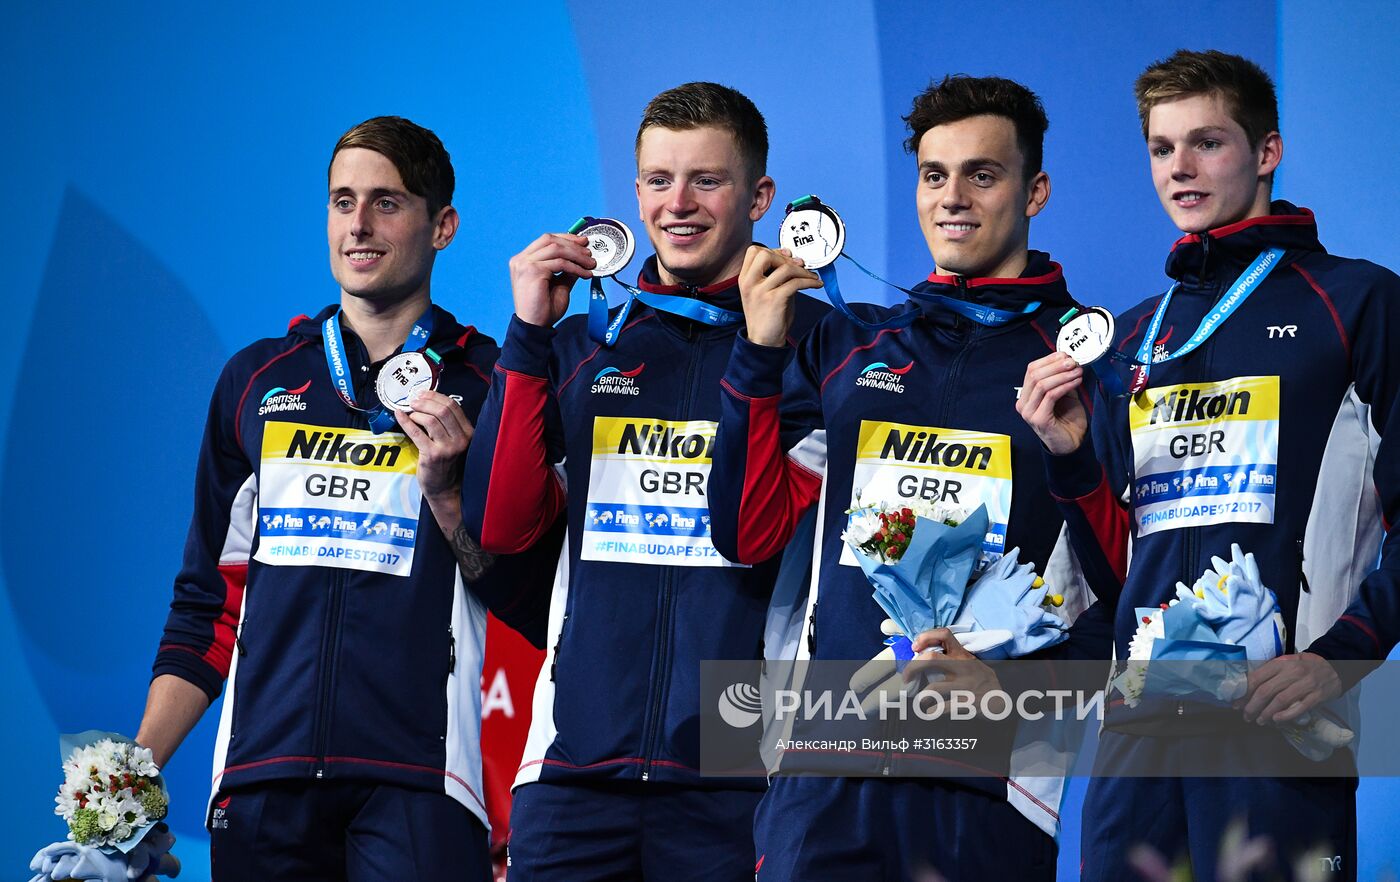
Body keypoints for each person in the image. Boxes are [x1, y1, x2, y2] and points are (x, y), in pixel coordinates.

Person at [40, 116, 506, 881]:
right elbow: (207, 605)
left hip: (423, 783)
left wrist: (451, 493)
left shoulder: (492, 386)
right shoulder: (257, 382)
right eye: (342, 201)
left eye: (386, 202)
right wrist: (122, 799)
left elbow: (528, 594)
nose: (358, 224)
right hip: (263, 782)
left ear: (442, 226)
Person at [707, 74, 1113, 881]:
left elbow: (1121, 610)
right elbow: (743, 533)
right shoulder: (849, 347)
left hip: (987, 783)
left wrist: (1005, 688)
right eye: (934, 176)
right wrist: (756, 355)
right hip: (824, 770)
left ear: (1035, 192)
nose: (952, 199)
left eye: (981, 174)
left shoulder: (1087, 367)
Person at [1018, 49, 1400, 881]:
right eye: (1161, 148)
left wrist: (1344, 655)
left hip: (1275, 718)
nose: (1180, 169)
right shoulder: (1134, 335)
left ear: (1267, 152)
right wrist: (1073, 461)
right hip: (1138, 730)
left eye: (1208, 143)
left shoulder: (1357, 302)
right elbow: (1116, 564)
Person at [460, 82, 829, 880]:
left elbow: (753, 534)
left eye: (708, 180)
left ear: (760, 195)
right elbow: (496, 524)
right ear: (633, 194)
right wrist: (525, 334)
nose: (679, 205)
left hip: (732, 768)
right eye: (659, 181)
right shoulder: (579, 347)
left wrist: (759, 356)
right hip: (575, 767)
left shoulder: (816, 349)